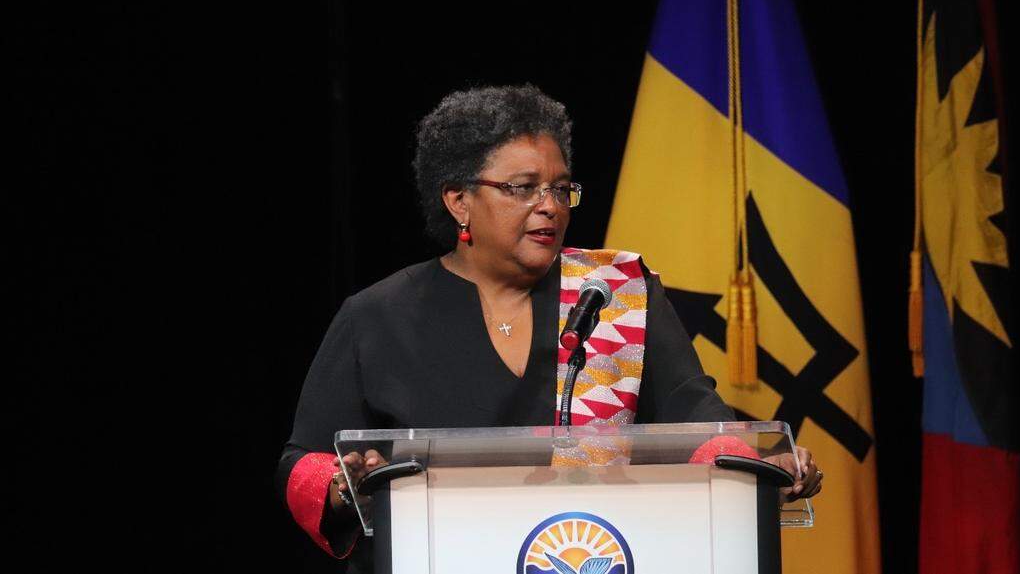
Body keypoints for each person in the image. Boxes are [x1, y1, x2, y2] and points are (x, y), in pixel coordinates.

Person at [276, 84, 822, 572]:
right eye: (523, 188)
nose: (550, 208)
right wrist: (345, 483)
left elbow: (698, 419)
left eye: (561, 189)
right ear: (460, 201)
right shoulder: (376, 317)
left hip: (602, 552)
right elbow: (303, 462)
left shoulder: (614, 292)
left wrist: (755, 467)